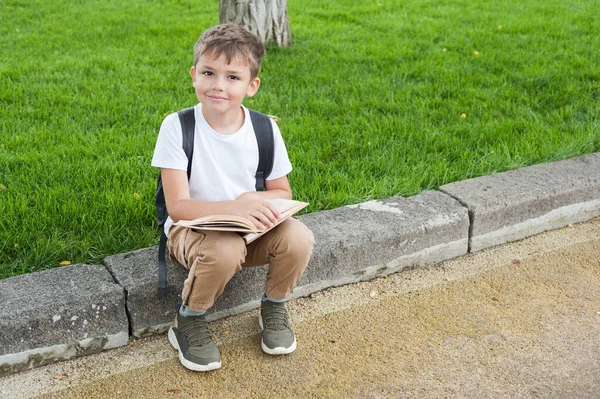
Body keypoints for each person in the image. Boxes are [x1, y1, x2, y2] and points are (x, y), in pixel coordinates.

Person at [151, 24, 314, 372]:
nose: (218, 85)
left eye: (232, 77)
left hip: (247, 229)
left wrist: (257, 204)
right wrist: (237, 206)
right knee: (225, 249)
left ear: (251, 86)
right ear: (194, 75)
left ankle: (274, 305)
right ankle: (188, 320)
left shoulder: (264, 128)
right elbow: (178, 207)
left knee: (299, 237)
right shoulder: (177, 127)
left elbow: (282, 191)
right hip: (192, 231)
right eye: (209, 73)